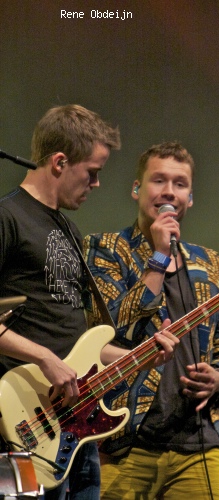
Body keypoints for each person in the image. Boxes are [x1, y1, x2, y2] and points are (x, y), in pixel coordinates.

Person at [0, 106, 177, 499]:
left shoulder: (68, 228)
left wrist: (146, 355)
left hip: (75, 430)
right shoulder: (7, 217)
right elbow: (51, 353)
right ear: (60, 162)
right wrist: (44, 358)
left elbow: (82, 342)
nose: (96, 184)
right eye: (92, 172)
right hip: (24, 424)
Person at [83, 141, 219, 499]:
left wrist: (218, 377)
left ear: (191, 197)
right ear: (137, 188)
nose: (169, 191)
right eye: (159, 181)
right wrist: (158, 258)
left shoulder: (209, 262)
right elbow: (111, 331)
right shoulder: (106, 249)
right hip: (124, 439)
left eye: (180, 184)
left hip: (198, 444)